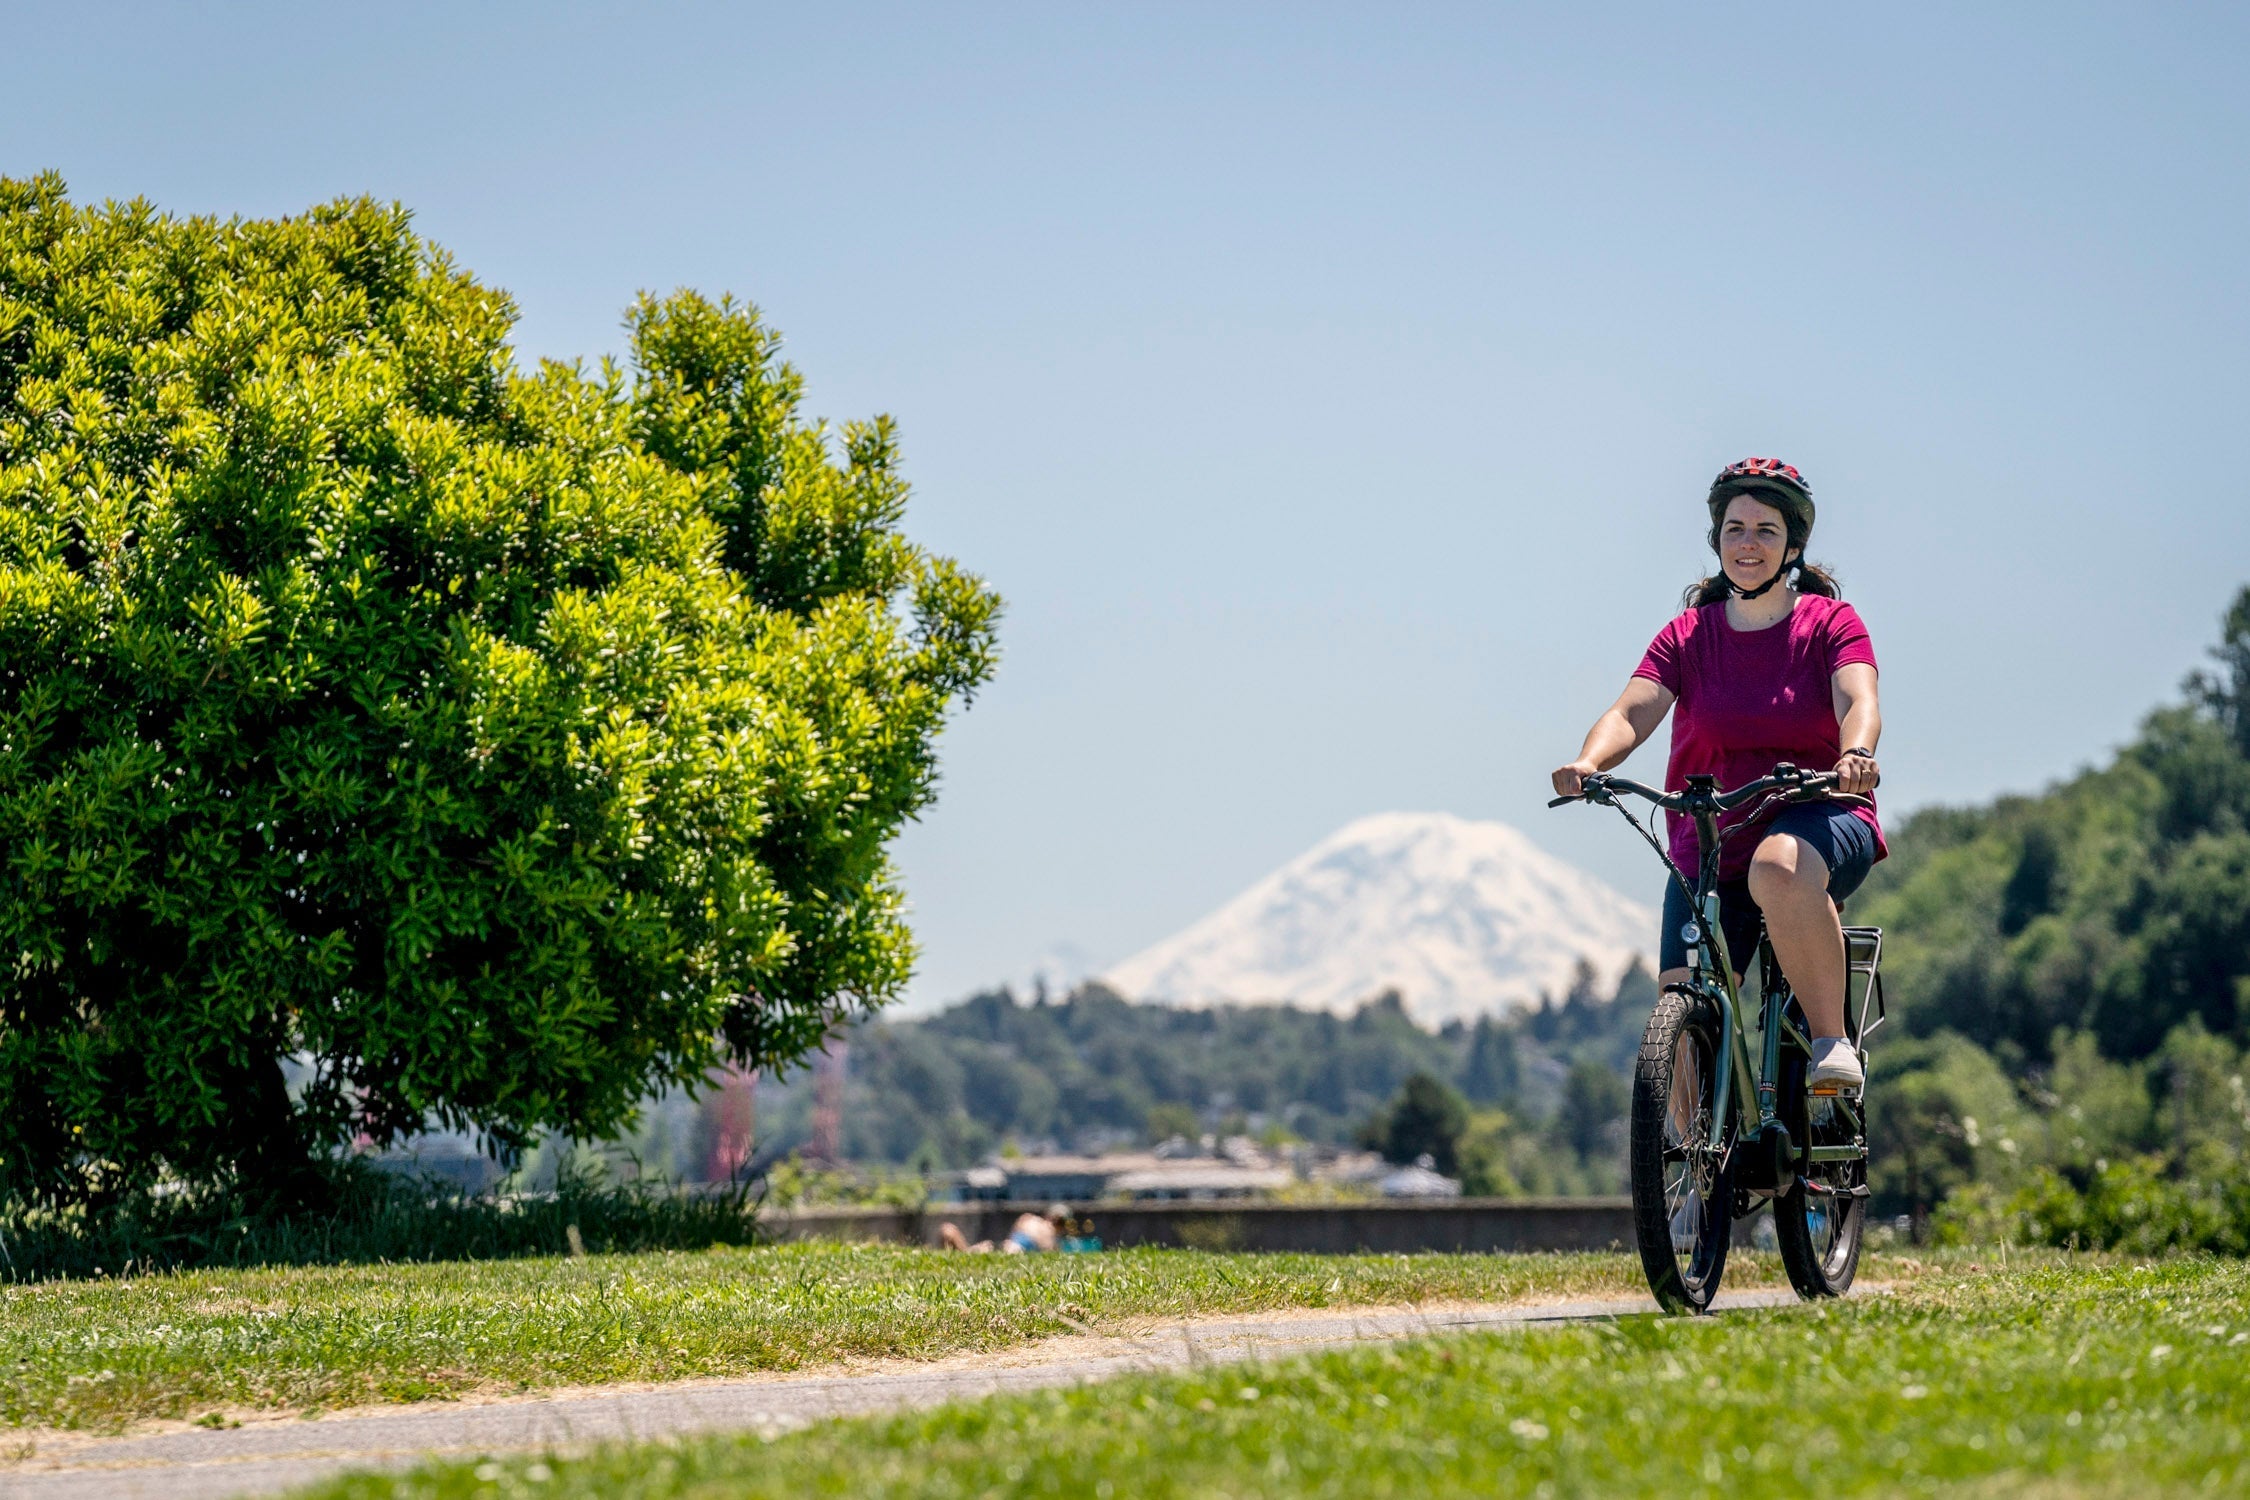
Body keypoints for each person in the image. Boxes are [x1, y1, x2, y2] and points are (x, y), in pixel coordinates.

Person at [1551, 458, 1882, 1092]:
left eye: (1765, 530)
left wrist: (1855, 753)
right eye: (1735, 529)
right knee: (1681, 1008)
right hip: (1712, 836)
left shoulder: (1829, 624)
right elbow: (1632, 711)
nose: (1748, 543)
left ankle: (1830, 1041)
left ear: (1792, 546)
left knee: (1776, 867)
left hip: (1820, 813)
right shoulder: (1687, 636)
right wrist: (1589, 762)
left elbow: (1858, 699)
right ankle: (1692, 1153)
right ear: (1717, 540)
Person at [937, 1203, 1070, 1253]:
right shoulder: (1051, 1239)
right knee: (967, 1253)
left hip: (1001, 1246)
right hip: (1011, 1252)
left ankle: (950, 1235)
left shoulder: (1027, 1218)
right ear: (1062, 1225)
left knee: (949, 1232)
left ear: (1049, 1215)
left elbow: (1012, 1235)